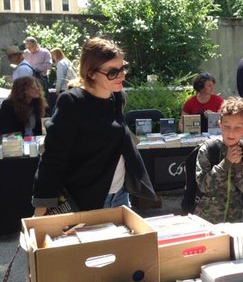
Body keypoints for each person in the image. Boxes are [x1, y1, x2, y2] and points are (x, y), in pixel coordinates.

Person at [32, 37, 156, 215]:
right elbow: (53, 157)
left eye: (123, 68)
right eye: (113, 72)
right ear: (90, 73)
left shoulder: (117, 97)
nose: (121, 75)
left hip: (120, 195)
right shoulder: (72, 102)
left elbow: (117, 137)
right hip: (87, 199)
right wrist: (40, 210)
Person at [196, 97, 243, 223]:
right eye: (227, 126)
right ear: (220, 124)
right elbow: (203, 186)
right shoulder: (209, 149)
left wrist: (239, 165)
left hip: (235, 220)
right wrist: (226, 163)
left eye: (238, 128)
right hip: (206, 220)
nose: (231, 132)